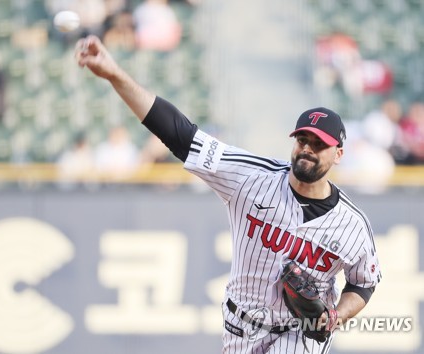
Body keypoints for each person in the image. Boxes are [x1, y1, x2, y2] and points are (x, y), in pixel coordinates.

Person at [75, 35, 381, 354]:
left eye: (319, 144)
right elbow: (179, 133)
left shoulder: (352, 224)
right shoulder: (251, 176)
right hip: (241, 325)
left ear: (339, 154)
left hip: (301, 332)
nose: (307, 149)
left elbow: (364, 282)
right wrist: (115, 74)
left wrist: (335, 315)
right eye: (302, 139)